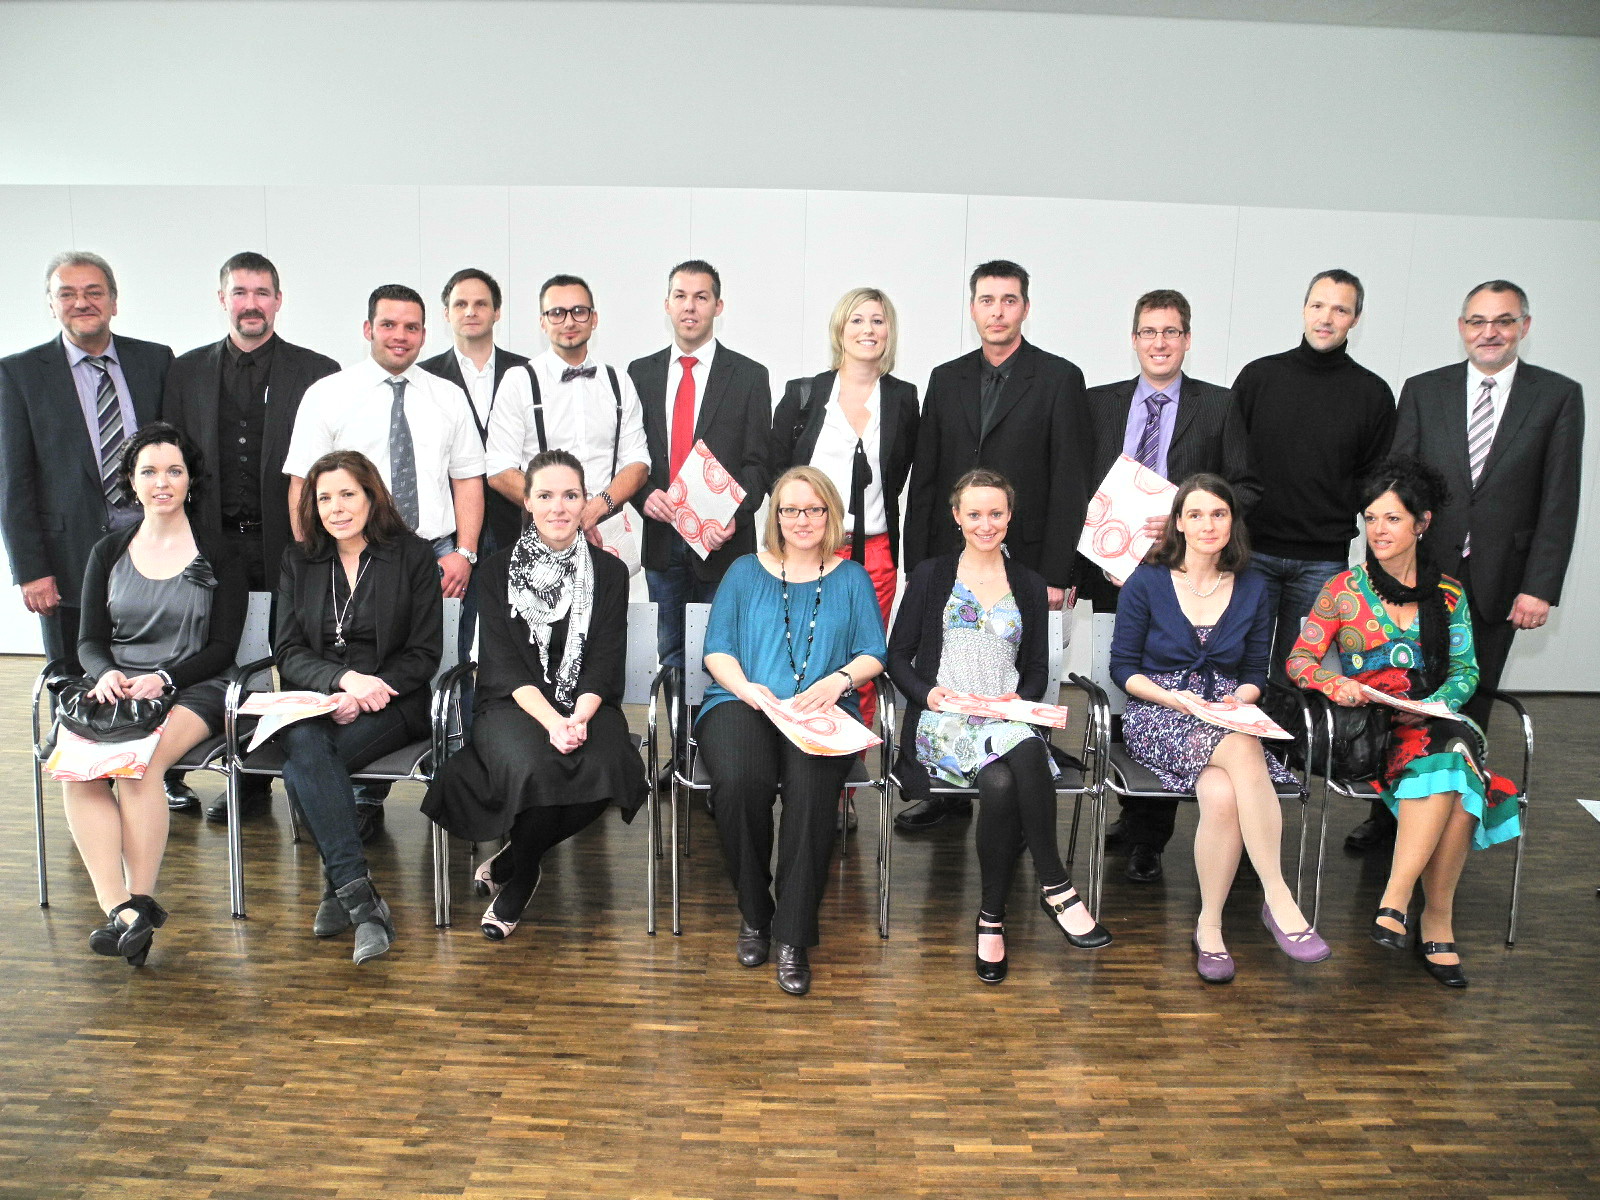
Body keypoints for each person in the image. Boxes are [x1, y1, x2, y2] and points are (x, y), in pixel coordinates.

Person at [1343, 280, 1585, 854]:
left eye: (1503, 321)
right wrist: (1383, 568)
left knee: (1470, 703)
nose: (1489, 332)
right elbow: (1396, 486)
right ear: (1461, 327)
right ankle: (1388, 817)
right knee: (1400, 692)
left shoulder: (1557, 396)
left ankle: (1451, 819)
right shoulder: (1425, 390)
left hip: (1501, 582)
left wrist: (1540, 587)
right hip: (1420, 577)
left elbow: (1559, 498)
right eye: (1477, 321)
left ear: (1524, 326)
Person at [1289, 457, 1521, 989]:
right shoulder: (1342, 589)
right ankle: (1434, 921)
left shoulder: (1449, 595)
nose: (1378, 531)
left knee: (1453, 752)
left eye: (1392, 518)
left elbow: (1467, 671)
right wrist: (1335, 685)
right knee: (1460, 772)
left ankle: (1397, 901)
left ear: (1422, 523)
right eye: (1370, 519)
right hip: (1369, 728)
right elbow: (1300, 661)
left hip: (1432, 718)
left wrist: (1434, 703)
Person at [889, 469, 1110, 984]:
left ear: (1009, 516)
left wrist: (1019, 700)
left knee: (1002, 782)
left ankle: (991, 919)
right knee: (1027, 751)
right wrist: (927, 694)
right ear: (956, 517)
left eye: (995, 513)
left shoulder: (1028, 584)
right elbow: (897, 655)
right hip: (943, 721)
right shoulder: (931, 575)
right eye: (974, 514)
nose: (985, 524)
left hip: (1004, 719)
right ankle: (1056, 886)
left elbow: (1036, 668)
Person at [283, 283, 484, 841]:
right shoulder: (328, 394)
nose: (400, 336)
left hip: (435, 555)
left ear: (425, 333)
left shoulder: (447, 396)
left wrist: (465, 552)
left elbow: (467, 478)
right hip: (349, 554)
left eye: (412, 327)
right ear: (368, 329)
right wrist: (314, 561)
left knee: (426, 671)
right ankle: (350, 800)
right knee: (350, 657)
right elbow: (304, 484)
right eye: (389, 325)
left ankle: (394, 796)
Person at [1111, 473, 1327, 983]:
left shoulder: (1252, 586)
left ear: (1233, 523)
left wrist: (1239, 699)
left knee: (1223, 794)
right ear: (1179, 524)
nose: (1208, 525)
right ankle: (1278, 896)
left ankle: (1209, 927)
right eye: (1196, 514)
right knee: (1244, 747)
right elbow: (1123, 668)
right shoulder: (1147, 581)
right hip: (1159, 712)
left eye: (1219, 514)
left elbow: (1254, 673)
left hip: (1225, 712)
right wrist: (1174, 698)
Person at [422, 449, 647, 940]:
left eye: (570, 495)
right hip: (512, 702)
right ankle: (523, 878)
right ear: (527, 502)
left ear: (585, 501)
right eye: (545, 496)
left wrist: (578, 718)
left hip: (586, 702)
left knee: (611, 764)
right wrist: (553, 724)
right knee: (536, 767)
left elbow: (605, 661)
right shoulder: (495, 570)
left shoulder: (610, 574)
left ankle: (516, 858)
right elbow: (502, 665)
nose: (558, 507)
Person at [898, 259, 1090, 830]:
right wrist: (917, 564)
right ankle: (948, 792)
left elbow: (1070, 480)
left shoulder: (1058, 377)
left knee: (1024, 674)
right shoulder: (946, 377)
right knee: (945, 666)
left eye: (1009, 300)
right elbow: (926, 475)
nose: (998, 311)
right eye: (987, 300)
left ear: (1025, 308)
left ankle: (1019, 785)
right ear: (973, 308)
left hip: (1028, 557)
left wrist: (1055, 572)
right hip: (951, 556)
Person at [1079, 288, 1259, 883]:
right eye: (1150, 332)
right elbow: (1076, 481)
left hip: (1190, 573)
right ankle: (1132, 807)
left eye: (1172, 332)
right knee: (1125, 684)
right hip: (1113, 572)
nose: (1160, 343)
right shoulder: (1098, 403)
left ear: (1187, 339)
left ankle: (1148, 838)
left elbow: (1246, 486)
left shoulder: (1220, 405)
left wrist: (1190, 518)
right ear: (1134, 339)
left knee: (1177, 680)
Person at [161, 250, 339, 820]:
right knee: (218, 655)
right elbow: (170, 460)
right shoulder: (185, 372)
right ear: (223, 300)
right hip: (212, 544)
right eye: (240, 292)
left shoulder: (318, 371)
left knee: (295, 657)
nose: (251, 304)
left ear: (278, 301)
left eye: (262, 293)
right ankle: (236, 777)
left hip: (291, 543)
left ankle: (305, 779)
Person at [697, 466, 885, 995]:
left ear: (831, 515)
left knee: (811, 792)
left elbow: (874, 652)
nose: (802, 519)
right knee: (740, 783)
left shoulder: (851, 578)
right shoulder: (743, 572)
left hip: (821, 709)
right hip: (743, 703)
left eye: (814, 509)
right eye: (791, 509)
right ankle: (755, 913)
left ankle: (793, 935)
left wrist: (839, 680)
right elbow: (716, 650)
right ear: (775, 516)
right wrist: (746, 689)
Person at [63, 422, 245, 966]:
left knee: (139, 766)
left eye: (174, 471)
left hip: (197, 685)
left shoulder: (220, 552)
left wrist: (165, 678)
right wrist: (104, 674)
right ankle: (123, 912)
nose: (162, 482)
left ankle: (137, 900)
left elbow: (223, 646)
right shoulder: (108, 551)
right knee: (80, 772)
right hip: (119, 686)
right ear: (131, 481)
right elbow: (89, 641)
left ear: (190, 480)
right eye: (149, 472)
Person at [0, 252, 178, 807]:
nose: (82, 302)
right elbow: (13, 479)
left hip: (153, 548)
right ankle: (88, 781)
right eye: (68, 293)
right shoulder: (19, 373)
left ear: (114, 301)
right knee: (77, 670)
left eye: (94, 291)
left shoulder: (155, 361)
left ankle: (162, 774)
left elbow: (178, 455)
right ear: (51, 304)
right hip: (67, 553)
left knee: (154, 661)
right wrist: (31, 569)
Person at [273, 450, 442, 964]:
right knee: (306, 744)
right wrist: (340, 682)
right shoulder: (299, 560)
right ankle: (362, 900)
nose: (336, 508)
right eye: (325, 498)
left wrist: (368, 690)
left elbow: (424, 654)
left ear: (371, 496)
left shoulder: (412, 556)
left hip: (394, 701)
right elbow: (288, 650)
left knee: (304, 766)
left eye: (347, 494)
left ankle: (339, 888)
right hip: (318, 700)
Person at [629, 260, 771, 773]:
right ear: (667, 304)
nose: (690, 306)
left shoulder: (750, 375)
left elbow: (760, 464)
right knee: (672, 654)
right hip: (663, 540)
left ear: (718, 305)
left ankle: (719, 761)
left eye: (701, 296)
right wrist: (643, 494)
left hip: (724, 545)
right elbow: (630, 456)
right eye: (681, 296)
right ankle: (684, 759)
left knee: (722, 655)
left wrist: (737, 511)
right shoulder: (640, 374)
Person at [1233, 269, 1394, 694]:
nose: (1326, 318)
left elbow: (1375, 483)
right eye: (1318, 305)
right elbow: (1230, 462)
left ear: (1355, 319)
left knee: (1301, 679)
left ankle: (1286, 740)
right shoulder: (1258, 378)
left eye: (1340, 310)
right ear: (1304, 309)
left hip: (1322, 562)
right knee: (1238, 667)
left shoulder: (1373, 394)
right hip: (1251, 553)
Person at [769, 286, 920, 739]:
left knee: (861, 664)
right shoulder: (804, 393)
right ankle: (796, 750)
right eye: (857, 320)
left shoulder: (903, 398)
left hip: (874, 553)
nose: (867, 330)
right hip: (806, 549)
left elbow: (902, 473)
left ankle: (850, 767)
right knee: (797, 655)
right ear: (840, 329)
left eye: (877, 320)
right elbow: (777, 474)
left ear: (889, 331)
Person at [419, 268, 530, 680]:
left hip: (517, 520)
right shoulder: (424, 377)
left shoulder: (527, 373)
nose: (471, 311)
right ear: (446, 313)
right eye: (460, 304)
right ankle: (457, 716)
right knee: (452, 639)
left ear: (497, 312)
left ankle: (510, 713)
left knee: (518, 637)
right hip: (451, 529)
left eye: (481, 303)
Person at [484, 273, 649, 547]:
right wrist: (561, 509)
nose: (569, 322)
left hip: (608, 532)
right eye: (557, 313)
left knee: (611, 579)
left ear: (594, 319)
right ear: (543, 322)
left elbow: (638, 461)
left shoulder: (619, 381)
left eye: (579, 311)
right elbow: (499, 469)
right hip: (544, 534)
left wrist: (599, 505)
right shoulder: (519, 381)